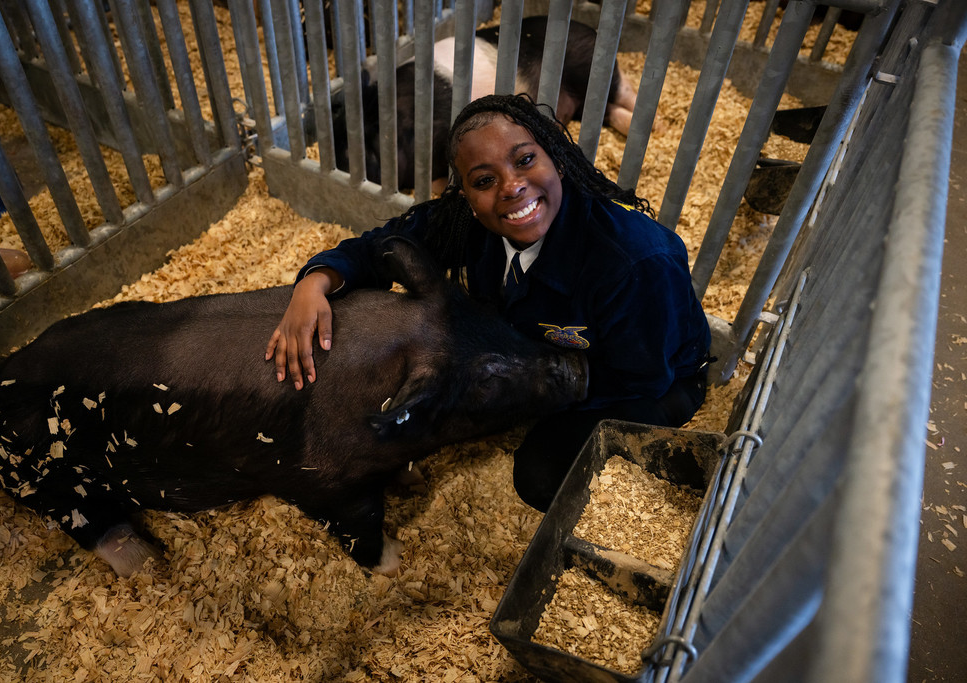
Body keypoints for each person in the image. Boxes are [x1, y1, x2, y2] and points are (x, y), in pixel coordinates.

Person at [265, 93, 711, 512]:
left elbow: (645, 377)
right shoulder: (468, 222)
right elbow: (386, 246)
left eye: (524, 160)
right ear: (465, 194)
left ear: (554, 153)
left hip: (644, 383)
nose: (511, 187)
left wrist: (520, 388)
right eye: (484, 180)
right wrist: (315, 282)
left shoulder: (634, 260)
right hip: (531, 356)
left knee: (539, 475)